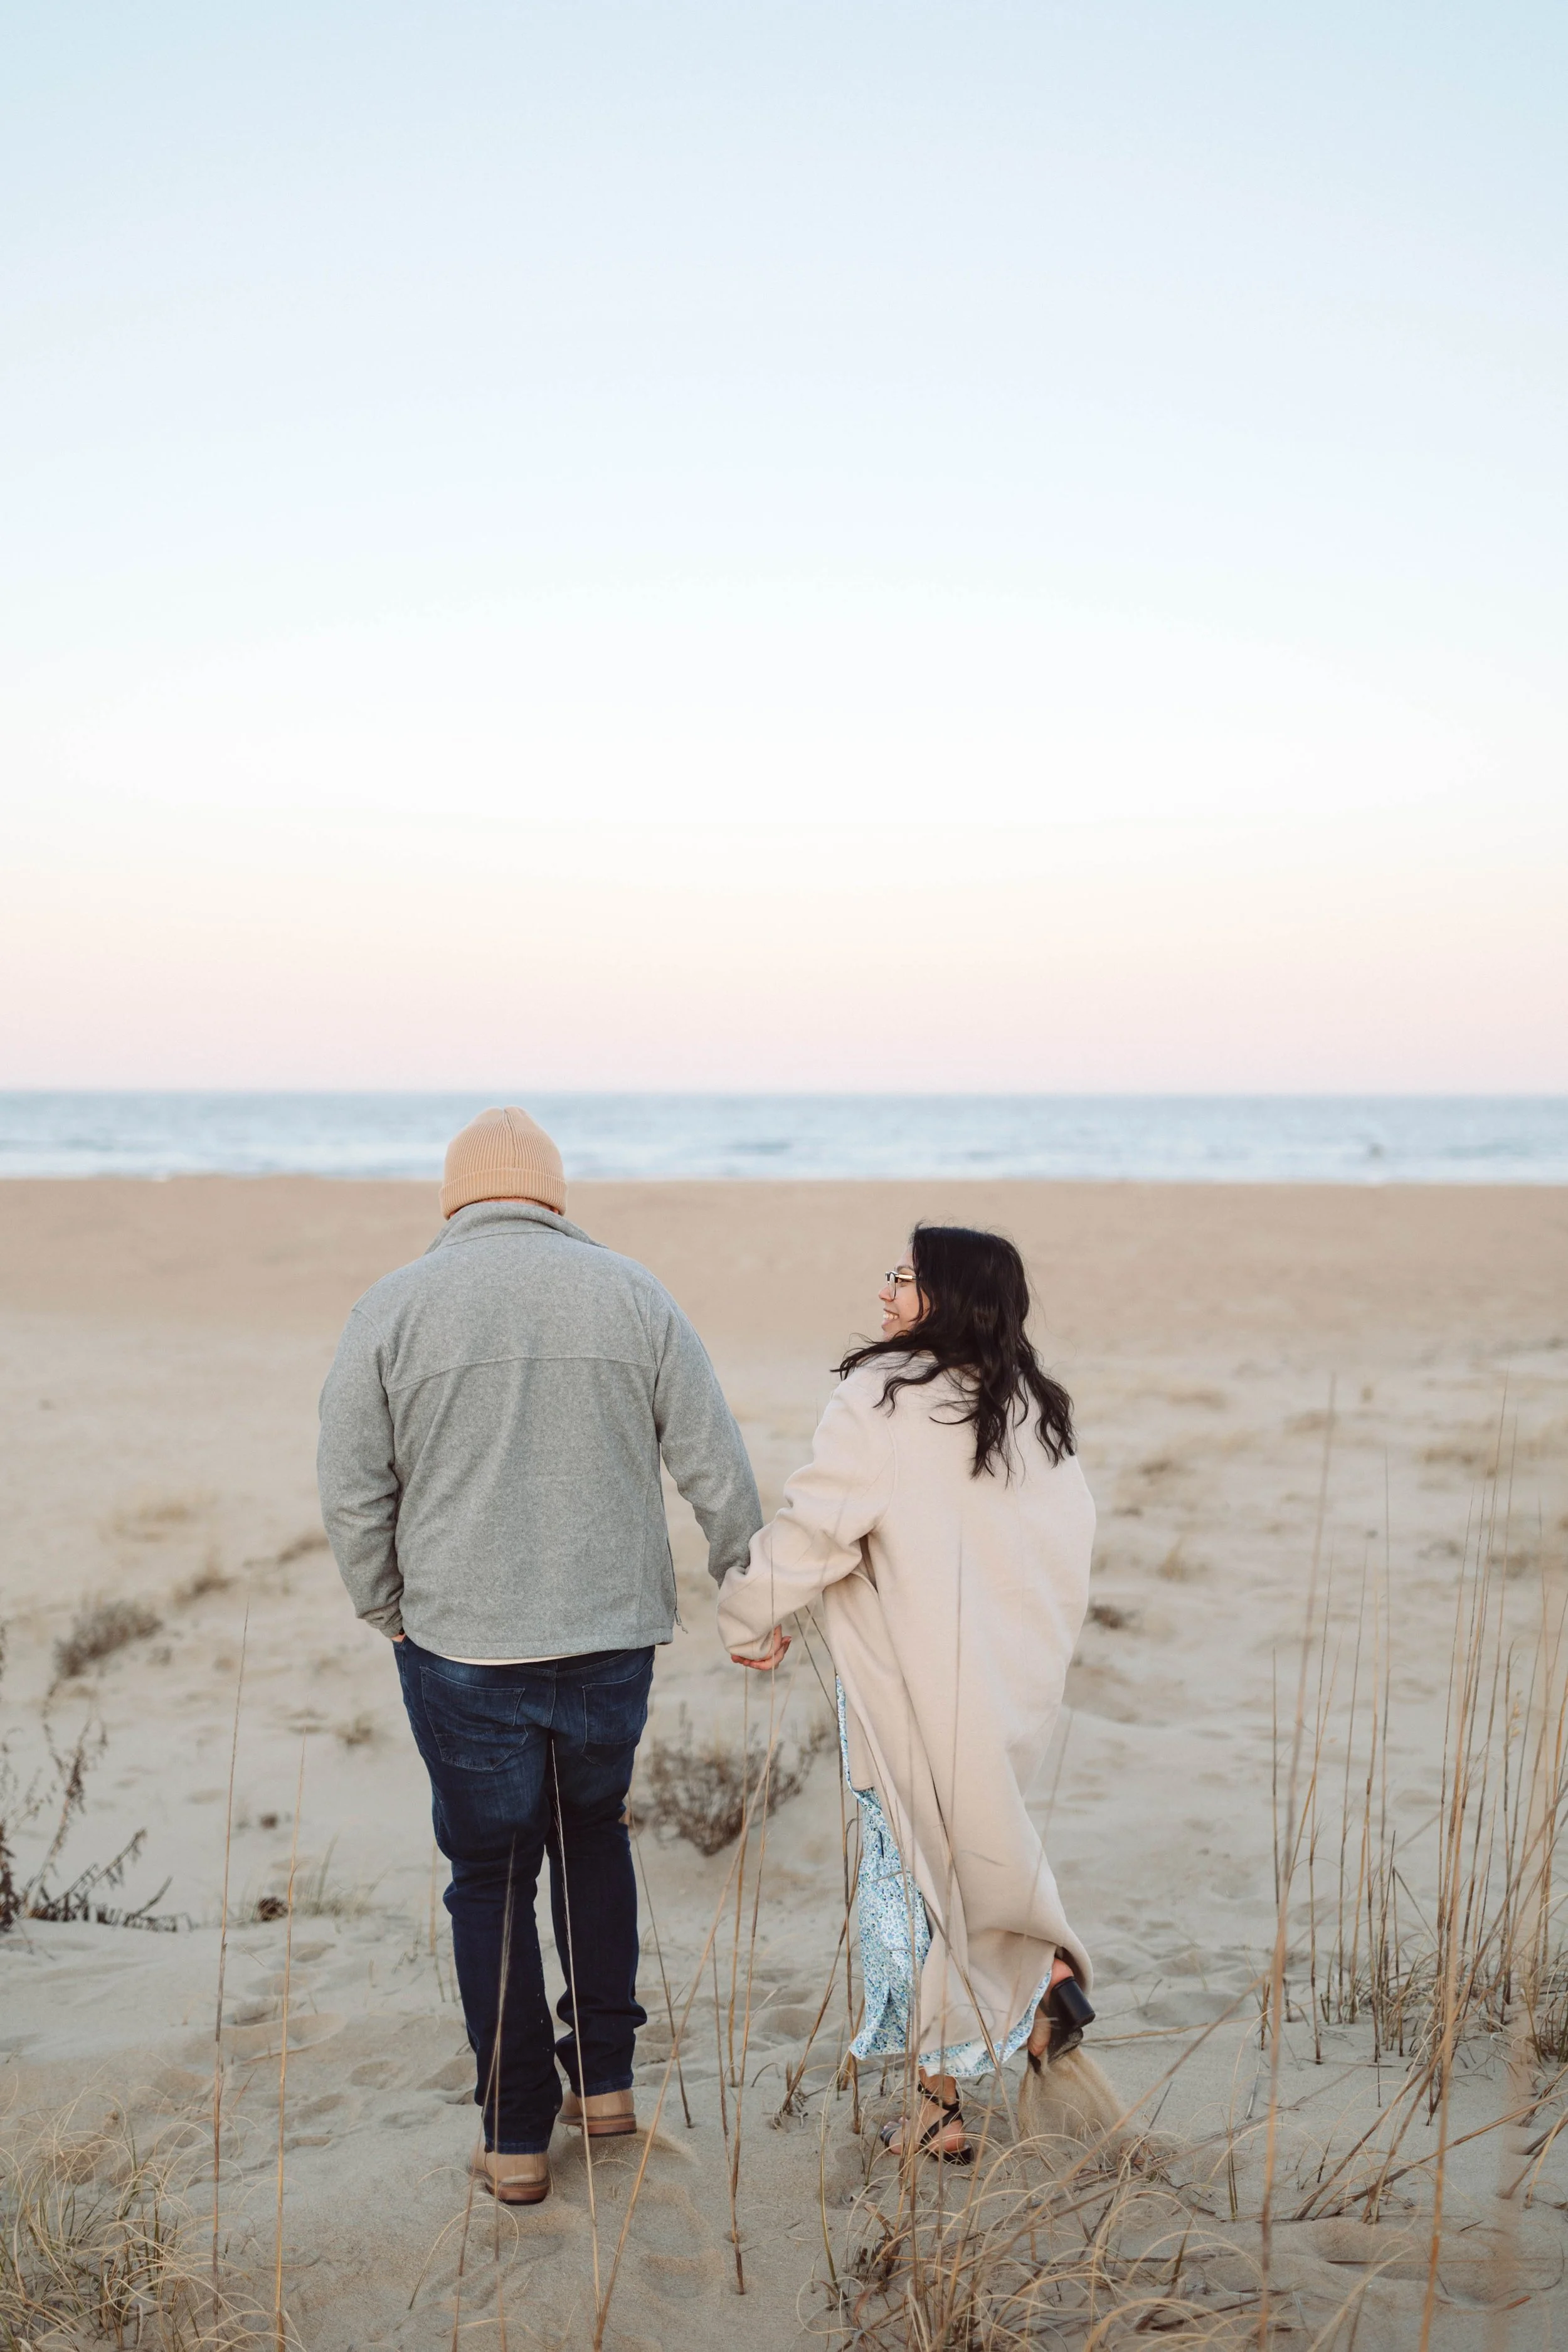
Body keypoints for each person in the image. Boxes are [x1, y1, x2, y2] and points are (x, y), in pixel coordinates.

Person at [318, 1106, 761, 2206]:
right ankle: (603, 2085)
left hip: (463, 1644)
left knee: (491, 1877)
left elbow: (349, 1486)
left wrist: (387, 1609)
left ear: (455, 1198)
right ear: (554, 1196)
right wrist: (746, 1578)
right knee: (592, 1837)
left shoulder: (392, 1306)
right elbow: (716, 1455)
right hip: (613, 1635)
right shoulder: (631, 1290)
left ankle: (518, 2138)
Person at [716, 1224, 1093, 2161]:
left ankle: (942, 2102)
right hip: (1007, 1684)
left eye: (905, 1277)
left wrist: (747, 1612)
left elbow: (819, 1526)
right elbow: (1061, 1541)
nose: (885, 1291)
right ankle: (1036, 1989)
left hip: (911, 1685)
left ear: (949, 1296)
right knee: (961, 1861)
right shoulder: (1029, 1408)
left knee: (908, 1877)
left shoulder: (883, 1396)